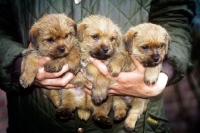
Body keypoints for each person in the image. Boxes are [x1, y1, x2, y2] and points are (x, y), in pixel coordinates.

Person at [0, 0, 194, 133]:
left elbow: (175, 16)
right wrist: (17, 64)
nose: (106, 45)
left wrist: (164, 71)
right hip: (34, 121)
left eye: (111, 39)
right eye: (96, 37)